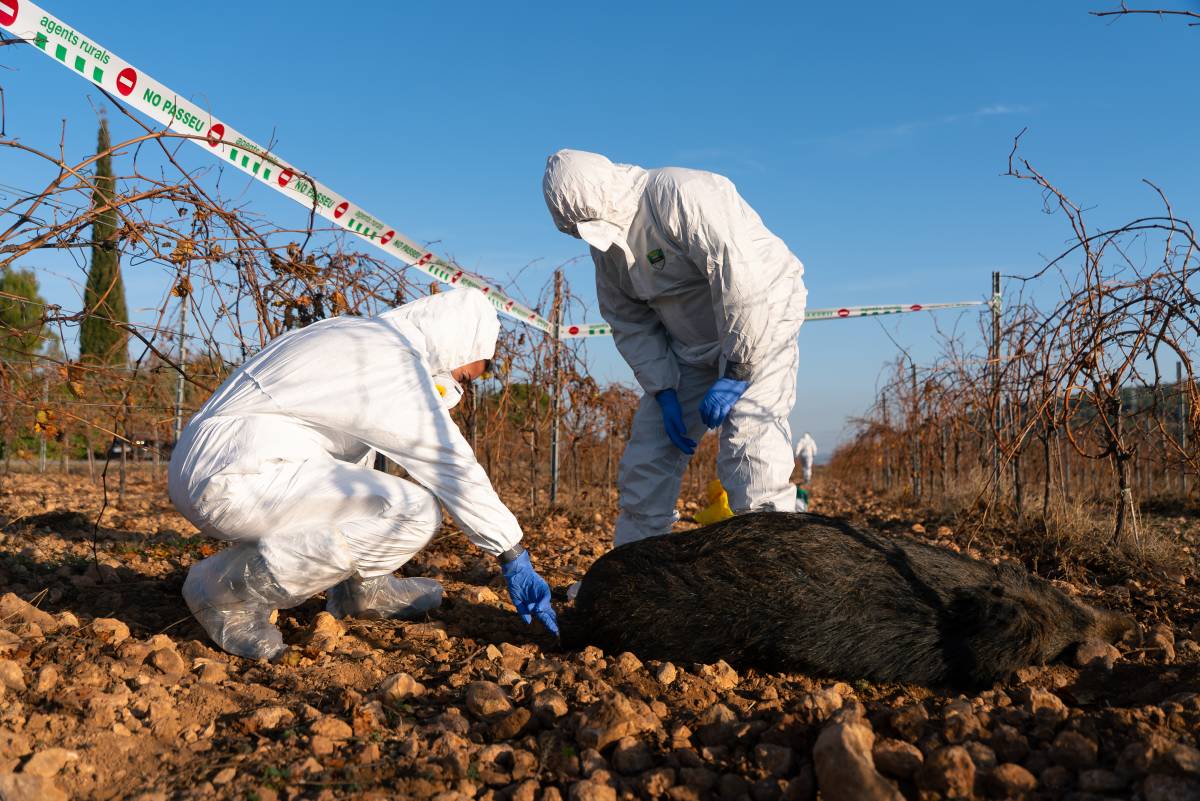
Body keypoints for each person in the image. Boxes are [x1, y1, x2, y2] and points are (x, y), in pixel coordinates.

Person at [168, 288, 558, 660]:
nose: (458, 388)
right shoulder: (394, 364)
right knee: (414, 511)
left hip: (229, 465)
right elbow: (451, 464)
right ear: (456, 345)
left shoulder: (357, 336)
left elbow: (351, 467)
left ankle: (359, 591)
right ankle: (228, 591)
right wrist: (510, 552)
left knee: (369, 489)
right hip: (237, 476)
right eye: (464, 377)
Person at [543, 149, 807, 546]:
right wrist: (663, 387)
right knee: (647, 460)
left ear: (606, 194)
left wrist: (738, 368)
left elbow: (740, 278)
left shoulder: (679, 193)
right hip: (691, 347)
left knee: (751, 452)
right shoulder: (606, 246)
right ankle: (633, 572)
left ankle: (780, 573)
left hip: (763, 322)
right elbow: (629, 320)